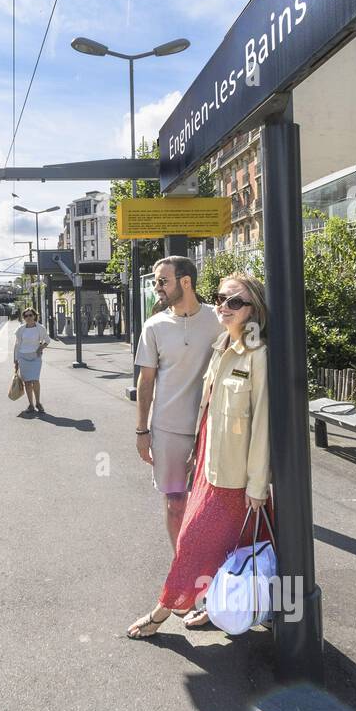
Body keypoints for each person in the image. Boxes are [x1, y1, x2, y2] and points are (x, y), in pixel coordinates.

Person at [127, 271, 272, 636]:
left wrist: (257, 485)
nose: (224, 306)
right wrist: (194, 451)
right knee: (227, 546)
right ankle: (217, 606)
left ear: (254, 309)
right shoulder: (222, 345)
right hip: (209, 465)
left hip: (235, 478)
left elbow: (263, 427)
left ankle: (161, 613)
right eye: (221, 298)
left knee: (193, 543)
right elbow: (208, 412)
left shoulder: (258, 356)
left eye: (235, 301)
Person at [132, 257, 220, 559]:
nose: (157, 287)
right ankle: (182, 567)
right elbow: (146, 382)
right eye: (156, 282)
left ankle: (210, 569)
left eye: (162, 281)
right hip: (167, 429)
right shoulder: (154, 325)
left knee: (211, 504)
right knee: (175, 503)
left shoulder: (219, 318)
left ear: (186, 282)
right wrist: (142, 431)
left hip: (213, 428)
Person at [13, 307, 49, 414]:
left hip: (35, 358)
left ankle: (38, 402)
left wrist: (41, 348)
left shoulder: (40, 328)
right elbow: (17, 345)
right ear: (24, 318)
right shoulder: (21, 329)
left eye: (30, 315)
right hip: (23, 357)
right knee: (27, 382)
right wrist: (15, 360)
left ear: (34, 316)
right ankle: (31, 405)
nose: (28, 317)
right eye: (26, 316)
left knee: (35, 380)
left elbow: (47, 340)